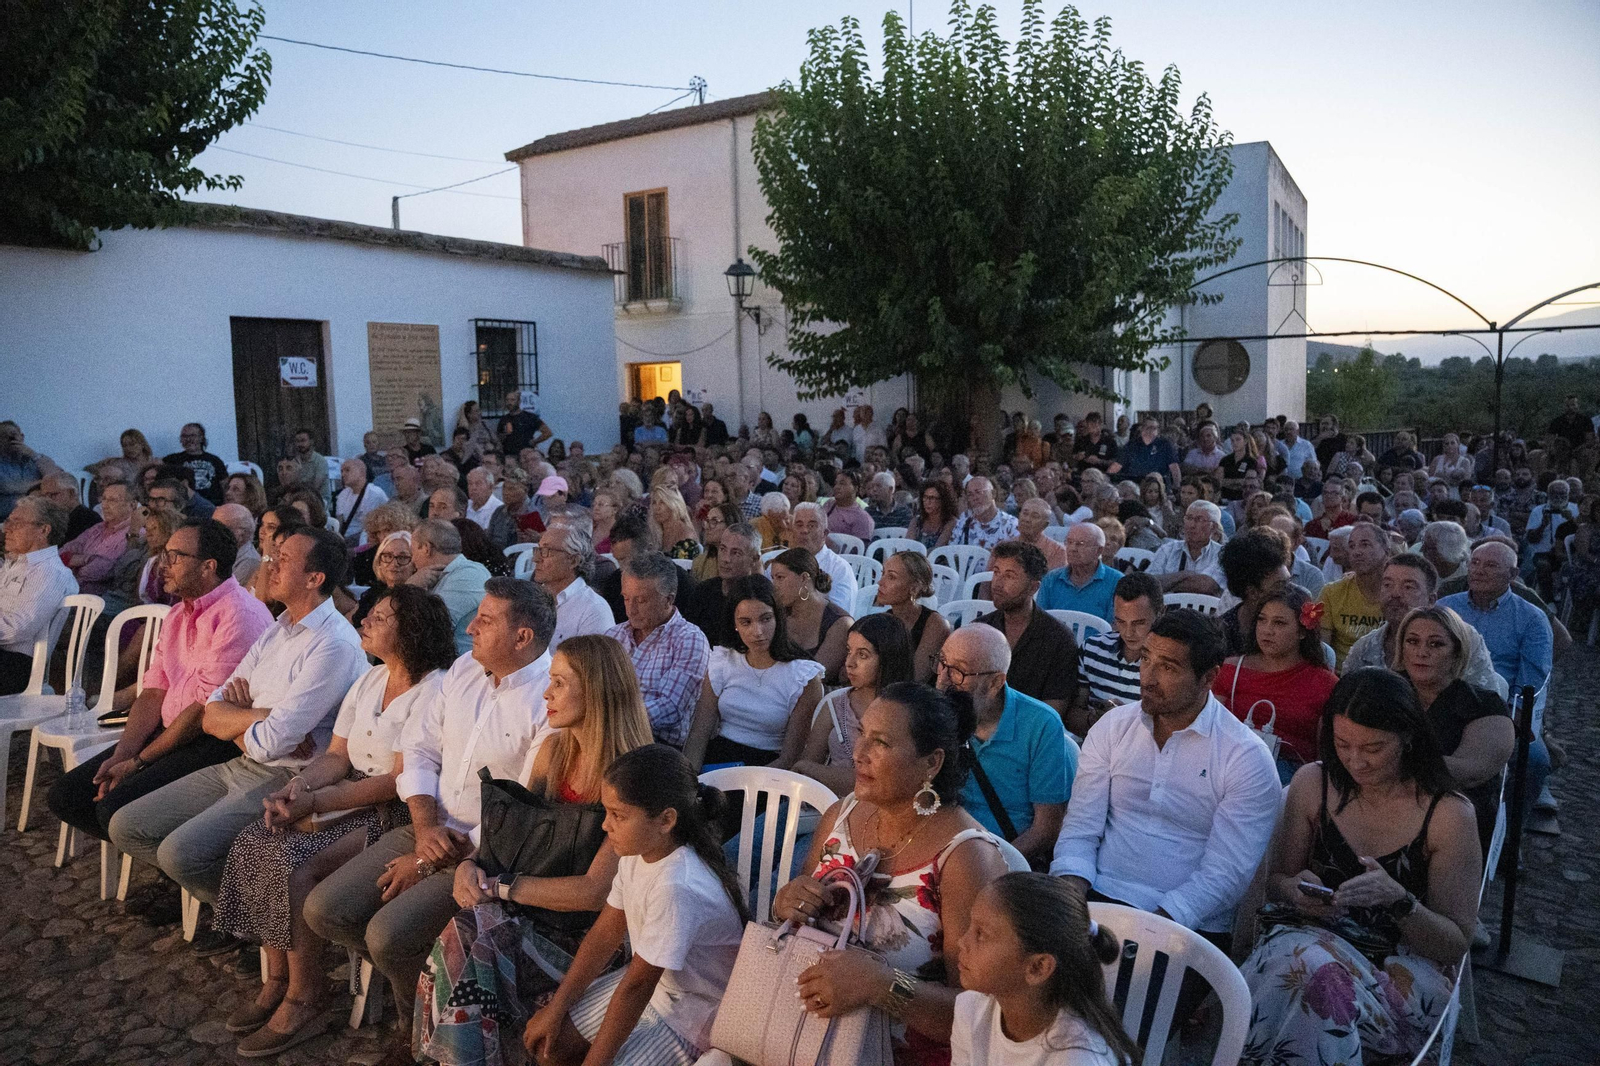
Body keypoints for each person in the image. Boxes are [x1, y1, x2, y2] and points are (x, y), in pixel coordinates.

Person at [304, 578, 557, 1058]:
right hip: (427, 827)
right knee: (324, 909)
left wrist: (432, 860)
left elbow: (524, 806)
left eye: (486, 619)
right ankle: (428, 990)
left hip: (484, 854)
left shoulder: (546, 699)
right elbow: (418, 751)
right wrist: (424, 832)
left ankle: (416, 1035)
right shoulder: (464, 670)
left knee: (388, 935)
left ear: (522, 638)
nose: (472, 626)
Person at [213, 585, 456, 1055]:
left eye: (380, 618)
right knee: (258, 838)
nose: (364, 621)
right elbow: (337, 755)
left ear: (411, 632)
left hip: (394, 809)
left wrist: (320, 802)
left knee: (294, 862)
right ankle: (279, 978)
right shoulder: (369, 680)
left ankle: (307, 996)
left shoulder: (434, 690)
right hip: (342, 794)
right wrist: (300, 788)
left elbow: (396, 780)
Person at [107, 528, 367, 952]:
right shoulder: (279, 628)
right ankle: (249, 913)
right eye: (273, 556)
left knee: (180, 854)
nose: (270, 564)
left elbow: (269, 744)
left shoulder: (334, 644)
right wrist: (261, 717)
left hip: (287, 775)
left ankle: (268, 933)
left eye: (283, 559)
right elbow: (211, 708)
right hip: (242, 762)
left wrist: (244, 722)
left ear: (314, 578)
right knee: (128, 825)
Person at [417, 635, 655, 1066]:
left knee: (477, 934)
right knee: (472, 927)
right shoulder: (554, 753)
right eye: (550, 680)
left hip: (594, 934)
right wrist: (469, 866)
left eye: (560, 683)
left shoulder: (631, 774)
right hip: (536, 911)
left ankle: (447, 1058)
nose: (547, 692)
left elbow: (593, 893)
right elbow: (512, 837)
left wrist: (502, 888)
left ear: (598, 689)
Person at [1240, 669, 1481, 1066]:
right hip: (1306, 941)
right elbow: (1278, 883)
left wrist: (1400, 902)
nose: (1356, 761)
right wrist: (1296, 891)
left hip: (1399, 969)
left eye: (1373, 747)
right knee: (1309, 972)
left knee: (1310, 977)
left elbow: (1454, 942)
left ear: (1407, 737)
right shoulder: (1314, 783)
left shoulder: (1447, 815)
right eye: (1342, 744)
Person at [772, 683, 1012, 1063]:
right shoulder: (842, 814)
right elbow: (800, 915)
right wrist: (786, 902)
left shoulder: (966, 858)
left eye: (881, 743)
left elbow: (981, 1011)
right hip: (795, 1035)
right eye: (860, 734)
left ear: (932, 763)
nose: (858, 753)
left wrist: (882, 985)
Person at [46, 519, 273, 871]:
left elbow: (202, 712)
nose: (162, 565)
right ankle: (169, 865)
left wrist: (138, 762)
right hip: (170, 730)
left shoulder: (237, 615)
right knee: (68, 796)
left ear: (208, 567)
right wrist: (122, 753)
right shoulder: (179, 613)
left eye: (175, 557)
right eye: (165, 554)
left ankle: (190, 872)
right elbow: (153, 690)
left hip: (212, 739)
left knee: (112, 807)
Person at [1051, 610, 1281, 956]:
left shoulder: (1245, 757)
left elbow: (1225, 874)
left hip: (1187, 924)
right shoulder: (1113, 727)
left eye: (1168, 667)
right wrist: (1071, 906)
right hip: (1097, 898)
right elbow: (1080, 830)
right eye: (1146, 659)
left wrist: (1149, 932)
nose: (1147, 678)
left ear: (1209, 678)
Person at [520, 745, 748, 1066]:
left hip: (693, 1012)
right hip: (656, 989)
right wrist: (557, 1008)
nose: (605, 826)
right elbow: (604, 935)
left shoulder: (677, 885)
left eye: (618, 815)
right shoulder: (636, 853)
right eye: (607, 812)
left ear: (666, 820)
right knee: (550, 1047)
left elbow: (637, 987)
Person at [952, 872, 1139, 1066]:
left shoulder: (1077, 1059)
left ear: (1037, 967)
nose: (962, 942)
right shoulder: (971, 1008)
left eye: (981, 934)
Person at [935, 625, 1074, 868]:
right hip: (945, 848)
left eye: (958, 671)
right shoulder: (935, 713)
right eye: (942, 662)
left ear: (995, 682)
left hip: (1007, 856)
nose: (942, 680)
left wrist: (990, 864)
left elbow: (1046, 830)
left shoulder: (1039, 725)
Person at [1438, 541, 1553, 809]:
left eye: (1490, 565)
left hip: (1501, 711)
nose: (1478, 571)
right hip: (1444, 701)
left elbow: (1530, 687)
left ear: (1512, 575)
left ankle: (1510, 836)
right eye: (1475, 563)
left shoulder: (1531, 619)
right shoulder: (1446, 607)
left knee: (1534, 761)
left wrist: (1505, 726)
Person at [1393, 605, 1514, 855]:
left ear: (1456, 652)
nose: (1421, 652)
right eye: (1412, 641)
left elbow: (1472, 770)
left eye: (1436, 644)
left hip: (1453, 817)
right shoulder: (1384, 693)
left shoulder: (1483, 704)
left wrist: (1386, 760)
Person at [683, 575, 825, 770]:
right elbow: (699, 733)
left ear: (778, 617)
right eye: (746, 622)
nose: (757, 631)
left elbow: (790, 759)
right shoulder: (723, 661)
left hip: (768, 770)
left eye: (765, 619)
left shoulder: (803, 677)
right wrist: (690, 780)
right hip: (718, 761)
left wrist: (744, 781)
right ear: (735, 624)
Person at [1213, 585, 1339, 783]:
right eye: (1262, 620)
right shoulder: (1231, 670)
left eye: (1279, 623)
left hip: (1291, 779)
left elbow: (1326, 754)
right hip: (1228, 768)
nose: (1267, 630)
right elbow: (1210, 729)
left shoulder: (1324, 684)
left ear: (1302, 632)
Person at [1342, 554, 1504, 695]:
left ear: (1431, 600)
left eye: (1408, 587)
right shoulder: (1364, 649)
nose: (1395, 594)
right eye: (1387, 585)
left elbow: (1487, 708)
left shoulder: (1464, 640)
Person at [793, 612, 915, 797]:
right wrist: (806, 767)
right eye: (849, 651)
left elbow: (884, 780)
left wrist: (808, 768)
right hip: (828, 804)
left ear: (889, 658)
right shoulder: (835, 705)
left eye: (863, 655)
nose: (850, 663)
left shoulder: (908, 712)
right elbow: (805, 774)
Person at [605, 552, 711, 748]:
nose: (631, 609)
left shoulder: (689, 639)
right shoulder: (613, 636)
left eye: (642, 600)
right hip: (610, 735)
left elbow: (670, 708)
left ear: (668, 600)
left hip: (658, 746)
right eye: (626, 598)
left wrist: (610, 722)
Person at [977, 541, 1079, 716]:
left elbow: (1053, 710)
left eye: (1009, 576)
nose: (997, 583)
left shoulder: (1058, 639)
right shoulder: (980, 629)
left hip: (1031, 734)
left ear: (1033, 587)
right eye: (996, 572)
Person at [0, 496, 78, 694]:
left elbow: (19, 628)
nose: (6, 528)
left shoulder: (50, 572)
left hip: (17, 666)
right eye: (8, 521)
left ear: (44, 530)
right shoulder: (14, 564)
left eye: (15, 523)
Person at [1071, 572, 1161, 739]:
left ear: (1161, 613)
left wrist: (1125, 720)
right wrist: (1094, 718)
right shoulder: (1092, 649)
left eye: (1139, 623)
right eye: (1120, 622)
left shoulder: (1167, 665)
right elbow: (1074, 711)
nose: (1128, 632)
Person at [770, 547, 853, 684]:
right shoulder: (776, 614)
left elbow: (817, 676)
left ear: (804, 578)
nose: (775, 586)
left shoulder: (839, 623)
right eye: (773, 578)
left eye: (780, 578)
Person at [410, 519, 492, 655]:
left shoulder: (469, 574)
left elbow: (432, 625)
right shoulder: (444, 574)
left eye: (413, 552)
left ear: (426, 549)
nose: (412, 560)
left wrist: (411, 587)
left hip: (462, 665)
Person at [1318, 521, 1391, 667]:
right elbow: (1322, 651)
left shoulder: (1398, 594)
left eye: (1365, 544)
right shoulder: (1331, 593)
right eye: (1351, 546)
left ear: (1386, 550)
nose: (1357, 551)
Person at [876, 549, 952, 685]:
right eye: (883, 574)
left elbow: (917, 678)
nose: (880, 582)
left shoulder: (935, 624)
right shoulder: (883, 619)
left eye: (891, 577)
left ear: (914, 588)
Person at [534, 521, 612, 651]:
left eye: (546, 551)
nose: (536, 559)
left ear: (573, 560)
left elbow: (592, 668)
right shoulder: (531, 599)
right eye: (538, 550)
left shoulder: (593, 610)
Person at [1215, 527, 1292, 654]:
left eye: (1289, 582)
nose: (1290, 590)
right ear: (1252, 592)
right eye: (1280, 585)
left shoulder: (1297, 628)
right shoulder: (1221, 637)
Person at [59, 479, 136, 598]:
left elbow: (97, 571)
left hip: (100, 601)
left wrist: (72, 562)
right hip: (72, 593)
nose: (104, 505)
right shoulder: (97, 528)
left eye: (112, 500)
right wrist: (86, 560)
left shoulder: (134, 533)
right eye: (104, 499)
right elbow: (61, 553)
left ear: (132, 505)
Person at [1037, 523, 1120, 624]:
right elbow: (1039, 621)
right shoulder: (1051, 579)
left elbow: (1115, 627)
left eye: (1080, 543)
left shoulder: (1116, 582)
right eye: (1069, 542)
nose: (1072, 548)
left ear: (1099, 550)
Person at [787, 502, 857, 615]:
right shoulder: (778, 564)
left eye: (811, 525)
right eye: (799, 525)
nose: (804, 530)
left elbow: (839, 617)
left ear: (825, 533)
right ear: (791, 532)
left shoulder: (839, 569)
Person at [1148, 501, 1225, 591]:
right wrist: (1184, 574)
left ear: (1214, 527)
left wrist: (1167, 584)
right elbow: (1148, 583)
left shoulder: (1221, 554)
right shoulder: (1168, 549)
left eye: (1199, 519)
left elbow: (1205, 586)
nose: (1191, 525)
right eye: (1189, 518)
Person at [163, 422, 230, 505]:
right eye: (184, 436)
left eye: (192, 435)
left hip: (213, 508)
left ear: (201, 438)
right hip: (184, 508)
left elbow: (225, 486)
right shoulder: (171, 460)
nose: (188, 439)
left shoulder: (215, 461)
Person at [952, 477, 1020, 550]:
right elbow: (951, 551)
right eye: (970, 494)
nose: (974, 498)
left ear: (993, 494)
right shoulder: (964, 521)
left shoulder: (1011, 524)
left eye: (978, 492)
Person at [333, 457, 388, 548]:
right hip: (345, 539)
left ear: (362, 472)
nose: (343, 474)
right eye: (341, 471)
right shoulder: (343, 494)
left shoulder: (374, 494)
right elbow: (339, 522)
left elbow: (369, 527)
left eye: (347, 470)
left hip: (365, 540)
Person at [649, 483, 701, 560]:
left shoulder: (686, 535)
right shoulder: (654, 532)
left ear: (673, 504)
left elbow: (685, 567)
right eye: (654, 502)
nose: (657, 507)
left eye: (662, 502)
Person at [908, 478, 960, 549]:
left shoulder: (951, 523)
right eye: (925, 497)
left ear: (942, 501)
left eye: (932, 498)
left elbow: (938, 549)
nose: (927, 502)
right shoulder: (916, 522)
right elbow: (908, 546)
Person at [497, 390, 551, 455]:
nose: (509, 403)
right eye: (507, 400)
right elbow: (499, 437)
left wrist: (535, 441)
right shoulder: (504, 419)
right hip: (509, 455)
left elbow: (547, 432)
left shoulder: (530, 417)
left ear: (519, 402)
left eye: (512, 400)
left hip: (526, 455)